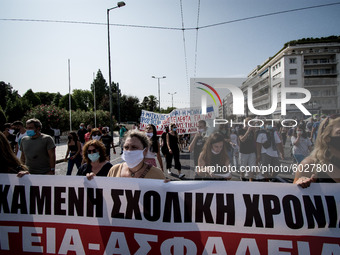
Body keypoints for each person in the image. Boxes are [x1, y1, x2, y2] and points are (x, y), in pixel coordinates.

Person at [294, 114, 340, 187]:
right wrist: (301, 184)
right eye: (339, 132)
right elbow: (293, 194)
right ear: (326, 138)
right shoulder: (308, 165)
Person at [101, 130, 165, 180]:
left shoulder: (157, 175)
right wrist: (92, 180)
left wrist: (168, 186)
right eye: (126, 147)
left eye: (134, 147)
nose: (129, 151)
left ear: (145, 150)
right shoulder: (114, 170)